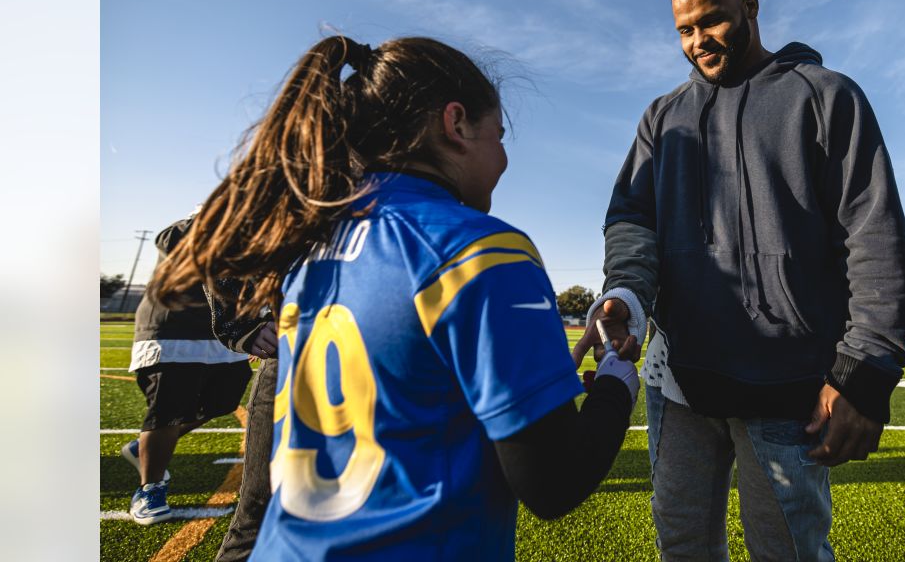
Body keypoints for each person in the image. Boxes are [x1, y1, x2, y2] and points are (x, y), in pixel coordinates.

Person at [149, 35, 640, 559]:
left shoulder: (313, 246)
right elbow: (552, 482)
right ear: (456, 124)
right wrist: (616, 382)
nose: (503, 159)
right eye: (499, 136)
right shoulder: (479, 249)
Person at [577, 0, 905, 561]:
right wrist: (626, 293)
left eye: (711, 21)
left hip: (788, 385)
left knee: (787, 552)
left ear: (750, 7)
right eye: (684, 29)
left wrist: (866, 378)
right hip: (678, 379)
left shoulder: (826, 96)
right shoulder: (662, 118)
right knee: (681, 545)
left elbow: (875, 235)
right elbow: (631, 219)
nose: (698, 41)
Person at [123, 214, 253, 525]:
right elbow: (168, 239)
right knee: (168, 409)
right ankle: (149, 488)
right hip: (174, 327)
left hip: (221, 331)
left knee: (223, 402)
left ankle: (144, 447)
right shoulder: (191, 226)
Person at [205, 277, 277, 562]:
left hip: (405, 363)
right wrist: (240, 325)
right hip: (296, 358)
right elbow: (218, 236)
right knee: (260, 511)